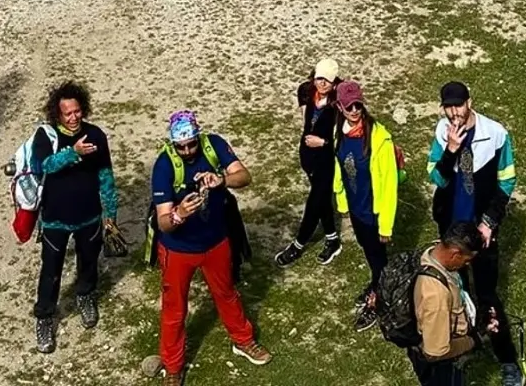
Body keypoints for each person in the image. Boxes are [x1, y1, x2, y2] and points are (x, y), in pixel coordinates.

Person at [150, 110, 271, 379]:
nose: (188, 150)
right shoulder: (164, 166)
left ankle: (243, 340)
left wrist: (222, 180)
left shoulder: (213, 144)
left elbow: (245, 176)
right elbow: (163, 223)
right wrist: (180, 214)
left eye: (191, 143)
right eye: (181, 147)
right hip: (177, 249)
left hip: (216, 241)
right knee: (175, 308)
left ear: (198, 136)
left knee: (226, 293)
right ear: (173, 144)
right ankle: (172, 367)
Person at [426, 81, 522, 386]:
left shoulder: (495, 134)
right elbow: (437, 178)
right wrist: (450, 151)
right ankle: (467, 344)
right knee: (456, 291)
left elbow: (506, 181)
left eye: (459, 105)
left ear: (470, 101)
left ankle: (508, 360)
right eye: (449, 107)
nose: (454, 113)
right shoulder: (443, 133)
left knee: (487, 294)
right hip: (452, 230)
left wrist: (489, 222)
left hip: (481, 232)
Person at [31, 81, 120, 355]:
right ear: (57, 115)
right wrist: (73, 152)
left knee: (89, 262)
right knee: (51, 272)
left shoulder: (96, 135)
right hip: (55, 220)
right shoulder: (45, 136)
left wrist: (111, 214)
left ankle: (85, 296)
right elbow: (45, 165)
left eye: (77, 111)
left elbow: (105, 174)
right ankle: (45, 317)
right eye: (67, 113)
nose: (74, 118)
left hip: (89, 216)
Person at [332, 79, 399, 332]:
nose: (355, 110)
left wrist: (386, 225)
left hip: (374, 212)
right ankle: (377, 284)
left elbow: (389, 184)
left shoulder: (379, 139)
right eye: (349, 106)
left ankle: (380, 301)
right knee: (371, 255)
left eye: (358, 104)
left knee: (378, 258)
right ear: (340, 107)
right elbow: (339, 168)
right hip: (356, 208)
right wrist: (341, 200)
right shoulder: (339, 132)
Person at [274, 57, 342, 268]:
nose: (322, 84)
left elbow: (343, 136)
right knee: (321, 198)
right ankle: (332, 238)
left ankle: (298, 244)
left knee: (314, 202)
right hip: (308, 156)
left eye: (327, 81)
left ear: (334, 82)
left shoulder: (338, 102)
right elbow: (305, 119)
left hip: (326, 158)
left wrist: (323, 142)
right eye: (319, 78)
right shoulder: (306, 90)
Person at [410, 221, 481, 385]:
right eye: (467, 260)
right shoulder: (436, 295)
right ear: (455, 254)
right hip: (440, 365)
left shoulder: (431, 254)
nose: (467, 264)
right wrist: (473, 340)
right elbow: (436, 351)